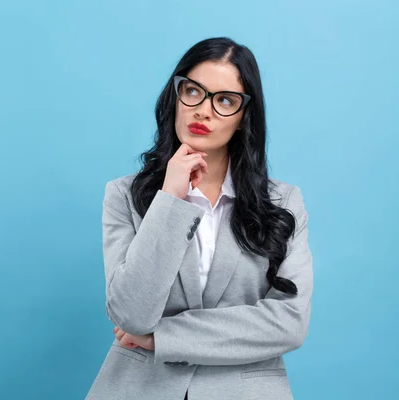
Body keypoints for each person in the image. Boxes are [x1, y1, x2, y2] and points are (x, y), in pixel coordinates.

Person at [85, 37, 313, 400]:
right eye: (193, 91)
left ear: (243, 118)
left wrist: (164, 338)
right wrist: (170, 199)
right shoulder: (123, 195)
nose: (203, 111)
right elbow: (131, 315)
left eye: (225, 100)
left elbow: (288, 323)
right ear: (175, 98)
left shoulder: (283, 201)